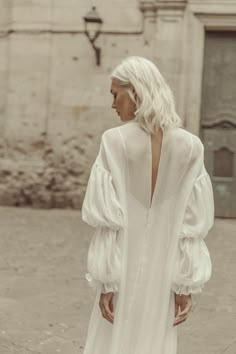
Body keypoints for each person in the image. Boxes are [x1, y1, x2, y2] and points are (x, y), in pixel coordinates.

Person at [81, 56, 214, 354]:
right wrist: (184, 286)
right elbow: (192, 226)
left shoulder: (113, 141)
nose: (112, 104)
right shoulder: (191, 147)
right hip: (164, 273)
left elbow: (108, 221)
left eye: (115, 94)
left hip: (123, 267)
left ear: (136, 91)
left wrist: (107, 282)